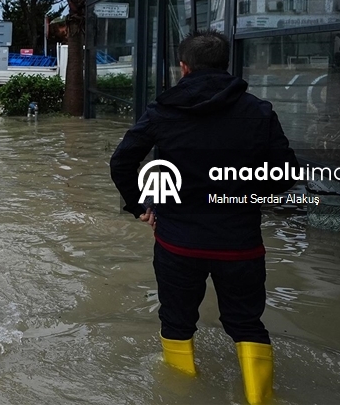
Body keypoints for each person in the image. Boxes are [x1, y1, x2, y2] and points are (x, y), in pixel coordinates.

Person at [109, 31, 298, 405]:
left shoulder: (163, 111)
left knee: (177, 322)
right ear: (226, 64)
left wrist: (140, 205)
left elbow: (122, 162)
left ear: (184, 67)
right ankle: (262, 399)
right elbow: (286, 174)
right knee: (246, 323)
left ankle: (180, 395)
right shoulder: (258, 111)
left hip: (178, 242)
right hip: (240, 245)